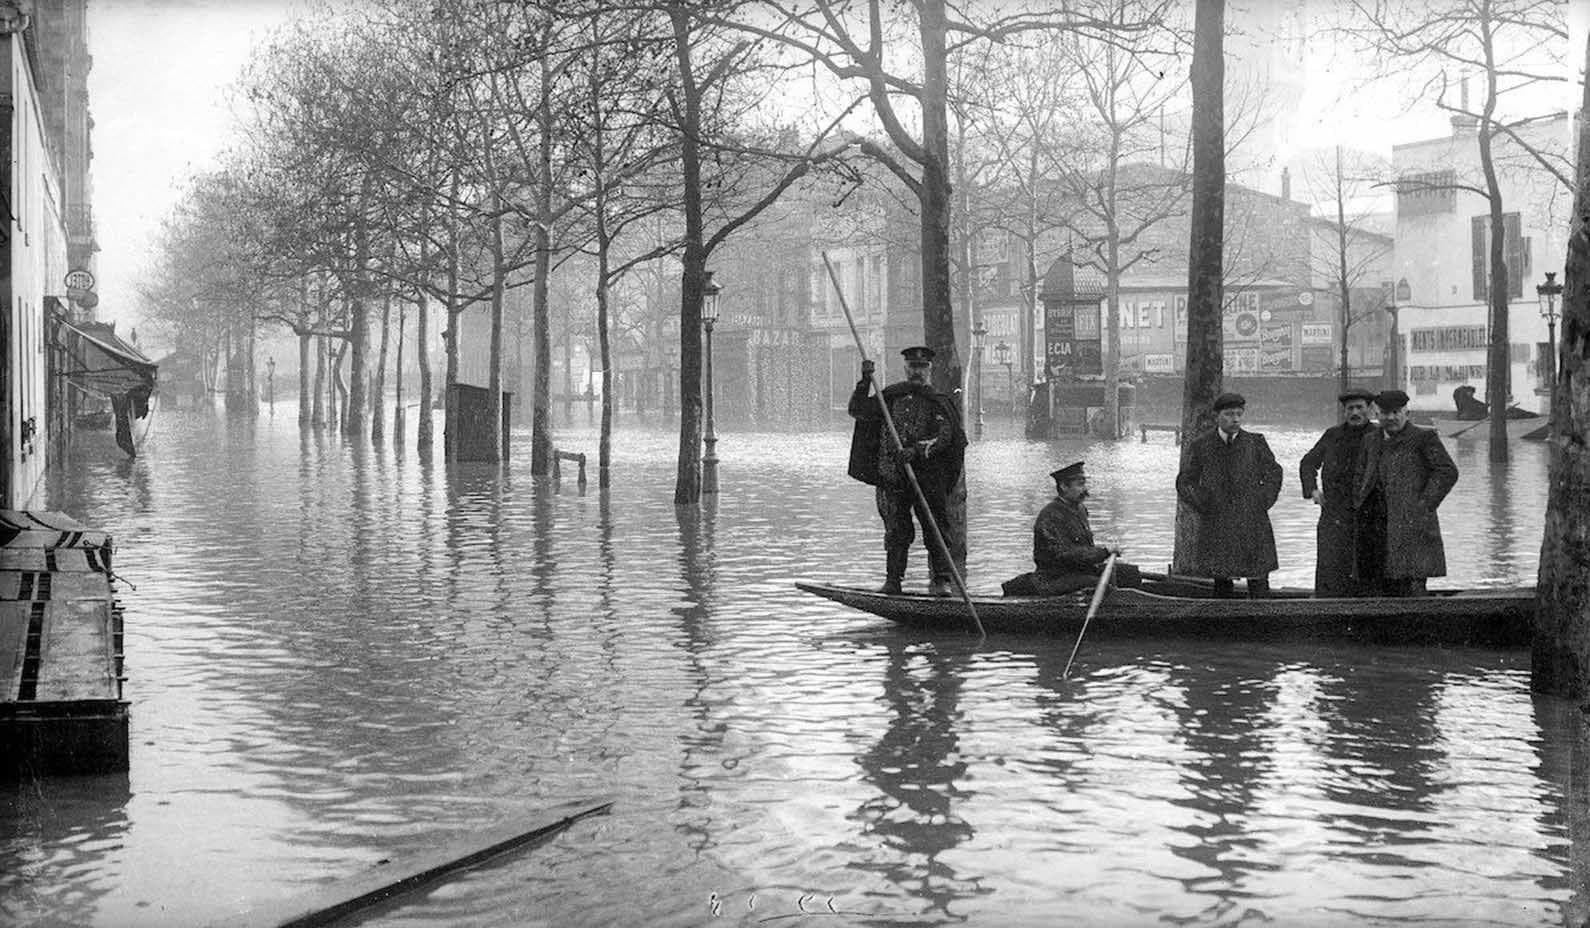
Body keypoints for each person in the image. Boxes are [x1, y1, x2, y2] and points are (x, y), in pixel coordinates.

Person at [847, 346, 967, 596]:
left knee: (935, 527)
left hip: (928, 478)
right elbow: (858, 411)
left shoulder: (938, 402)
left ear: (929, 370)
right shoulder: (890, 396)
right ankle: (893, 581)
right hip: (894, 477)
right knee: (896, 530)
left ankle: (942, 580)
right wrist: (865, 381)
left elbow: (946, 437)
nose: (917, 372)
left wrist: (917, 450)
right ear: (906, 368)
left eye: (922, 368)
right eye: (913, 367)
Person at [1174, 392, 1283, 598]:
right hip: (1218, 521)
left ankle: (1264, 623)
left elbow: (1274, 473)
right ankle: (1221, 624)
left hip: (1252, 521)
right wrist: (1204, 502)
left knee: (1258, 579)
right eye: (1229, 414)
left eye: (1239, 414)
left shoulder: (1255, 442)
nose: (1235, 419)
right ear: (1217, 416)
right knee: (1221, 581)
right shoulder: (1202, 445)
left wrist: (1262, 501)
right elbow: (1185, 481)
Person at [1354, 389, 1459, 597]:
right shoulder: (1370, 440)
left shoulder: (1424, 437)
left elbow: (1447, 471)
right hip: (1375, 525)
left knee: (1411, 585)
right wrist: (1359, 501)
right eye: (1385, 413)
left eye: (1396, 412)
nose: (1391, 418)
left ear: (1406, 413)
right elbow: (1360, 475)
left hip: (1411, 524)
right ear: (1377, 414)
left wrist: (1425, 504)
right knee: (1376, 585)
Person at [1001, 462, 1142, 596]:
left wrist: (1104, 553)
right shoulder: (1050, 515)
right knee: (1097, 584)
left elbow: (1084, 549)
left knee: (1129, 573)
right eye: (1080, 485)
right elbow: (1065, 555)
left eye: (1084, 484)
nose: (1085, 489)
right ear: (1063, 486)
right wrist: (1104, 552)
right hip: (1055, 578)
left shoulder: (1080, 509)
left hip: (1080, 572)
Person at [1299, 387, 1379, 597]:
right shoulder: (1332, 435)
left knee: (1367, 566)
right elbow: (1308, 463)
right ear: (1344, 411)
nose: (1355, 412)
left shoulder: (1378, 436)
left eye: (1360, 407)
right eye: (1350, 408)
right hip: (1334, 513)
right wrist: (1313, 490)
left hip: (1369, 514)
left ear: (1369, 409)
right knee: (1330, 566)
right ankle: (1327, 608)